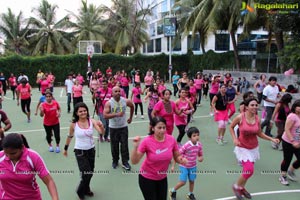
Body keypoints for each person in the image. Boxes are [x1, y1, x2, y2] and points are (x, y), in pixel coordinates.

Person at [229, 97, 279, 200]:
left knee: (247, 171)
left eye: (256, 105)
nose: (255, 107)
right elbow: (231, 127)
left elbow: (259, 133)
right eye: (252, 105)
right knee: (249, 170)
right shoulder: (240, 117)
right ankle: (236, 186)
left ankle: (241, 188)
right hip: (242, 147)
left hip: (254, 148)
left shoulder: (258, 118)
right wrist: (234, 139)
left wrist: (271, 139)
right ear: (246, 107)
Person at [131, 116, 187, 200]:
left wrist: (182, 160)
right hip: (147, 178)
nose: (162, 130)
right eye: (159, 128)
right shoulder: (147, 141)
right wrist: (135, 147)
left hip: (162, 178)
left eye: (164, 127)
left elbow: (177, 156)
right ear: (153, 128)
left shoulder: (171, 139)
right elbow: (134, 161)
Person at [63, 102, 104, 200]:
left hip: (91, 150)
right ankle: (80, 190)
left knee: (91, 171)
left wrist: (101, 126)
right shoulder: (74, 124)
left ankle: (86, 188)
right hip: (80, 151)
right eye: (80, 111)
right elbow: (70, 136)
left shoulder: (92, 121)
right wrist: (65, 148)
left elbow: (101, 132)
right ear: (76, 113)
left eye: (84, 110)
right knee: (86, 173)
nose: (83, 113)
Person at [0, 133, 59, 200]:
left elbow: (49, 181)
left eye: (13, 153)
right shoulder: (1, 157)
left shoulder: (33, 157)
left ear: (22, 147)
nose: (9, 156)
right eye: (6, 153)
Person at [103, 86, 134, 170]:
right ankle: (115, 161)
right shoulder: (109, 103)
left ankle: (125, 162)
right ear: (112, 93)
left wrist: (130, 117)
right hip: (113, 128)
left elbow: (132, 106)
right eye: (115, 91)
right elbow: (105, 115)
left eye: (119, 91)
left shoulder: (125, 101)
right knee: (114, 146)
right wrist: (116, 114)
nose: (117, 93)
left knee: (124, 145)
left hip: (123, 127)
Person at [169, 127, 203, 200]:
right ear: (189, 138)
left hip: (193, 166)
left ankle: (190, 194)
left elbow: (200, 154)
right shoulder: (186, 145)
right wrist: (173, 165)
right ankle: (173, 190)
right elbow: (177, 154)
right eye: (194, 135)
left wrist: (200, 158)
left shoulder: (199, 145)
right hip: (184, 166)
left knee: (192, 181)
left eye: (197, 135)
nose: (197, 137)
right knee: (183, 182)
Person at [279, 100, 300, 186]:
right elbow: (286, 129)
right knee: (287, 159)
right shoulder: (292, 116)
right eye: (299, 106)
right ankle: (283, 176)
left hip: (298, 142)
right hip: (288, 141)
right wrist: (293, 141)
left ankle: (291, 171)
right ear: (295, 107)